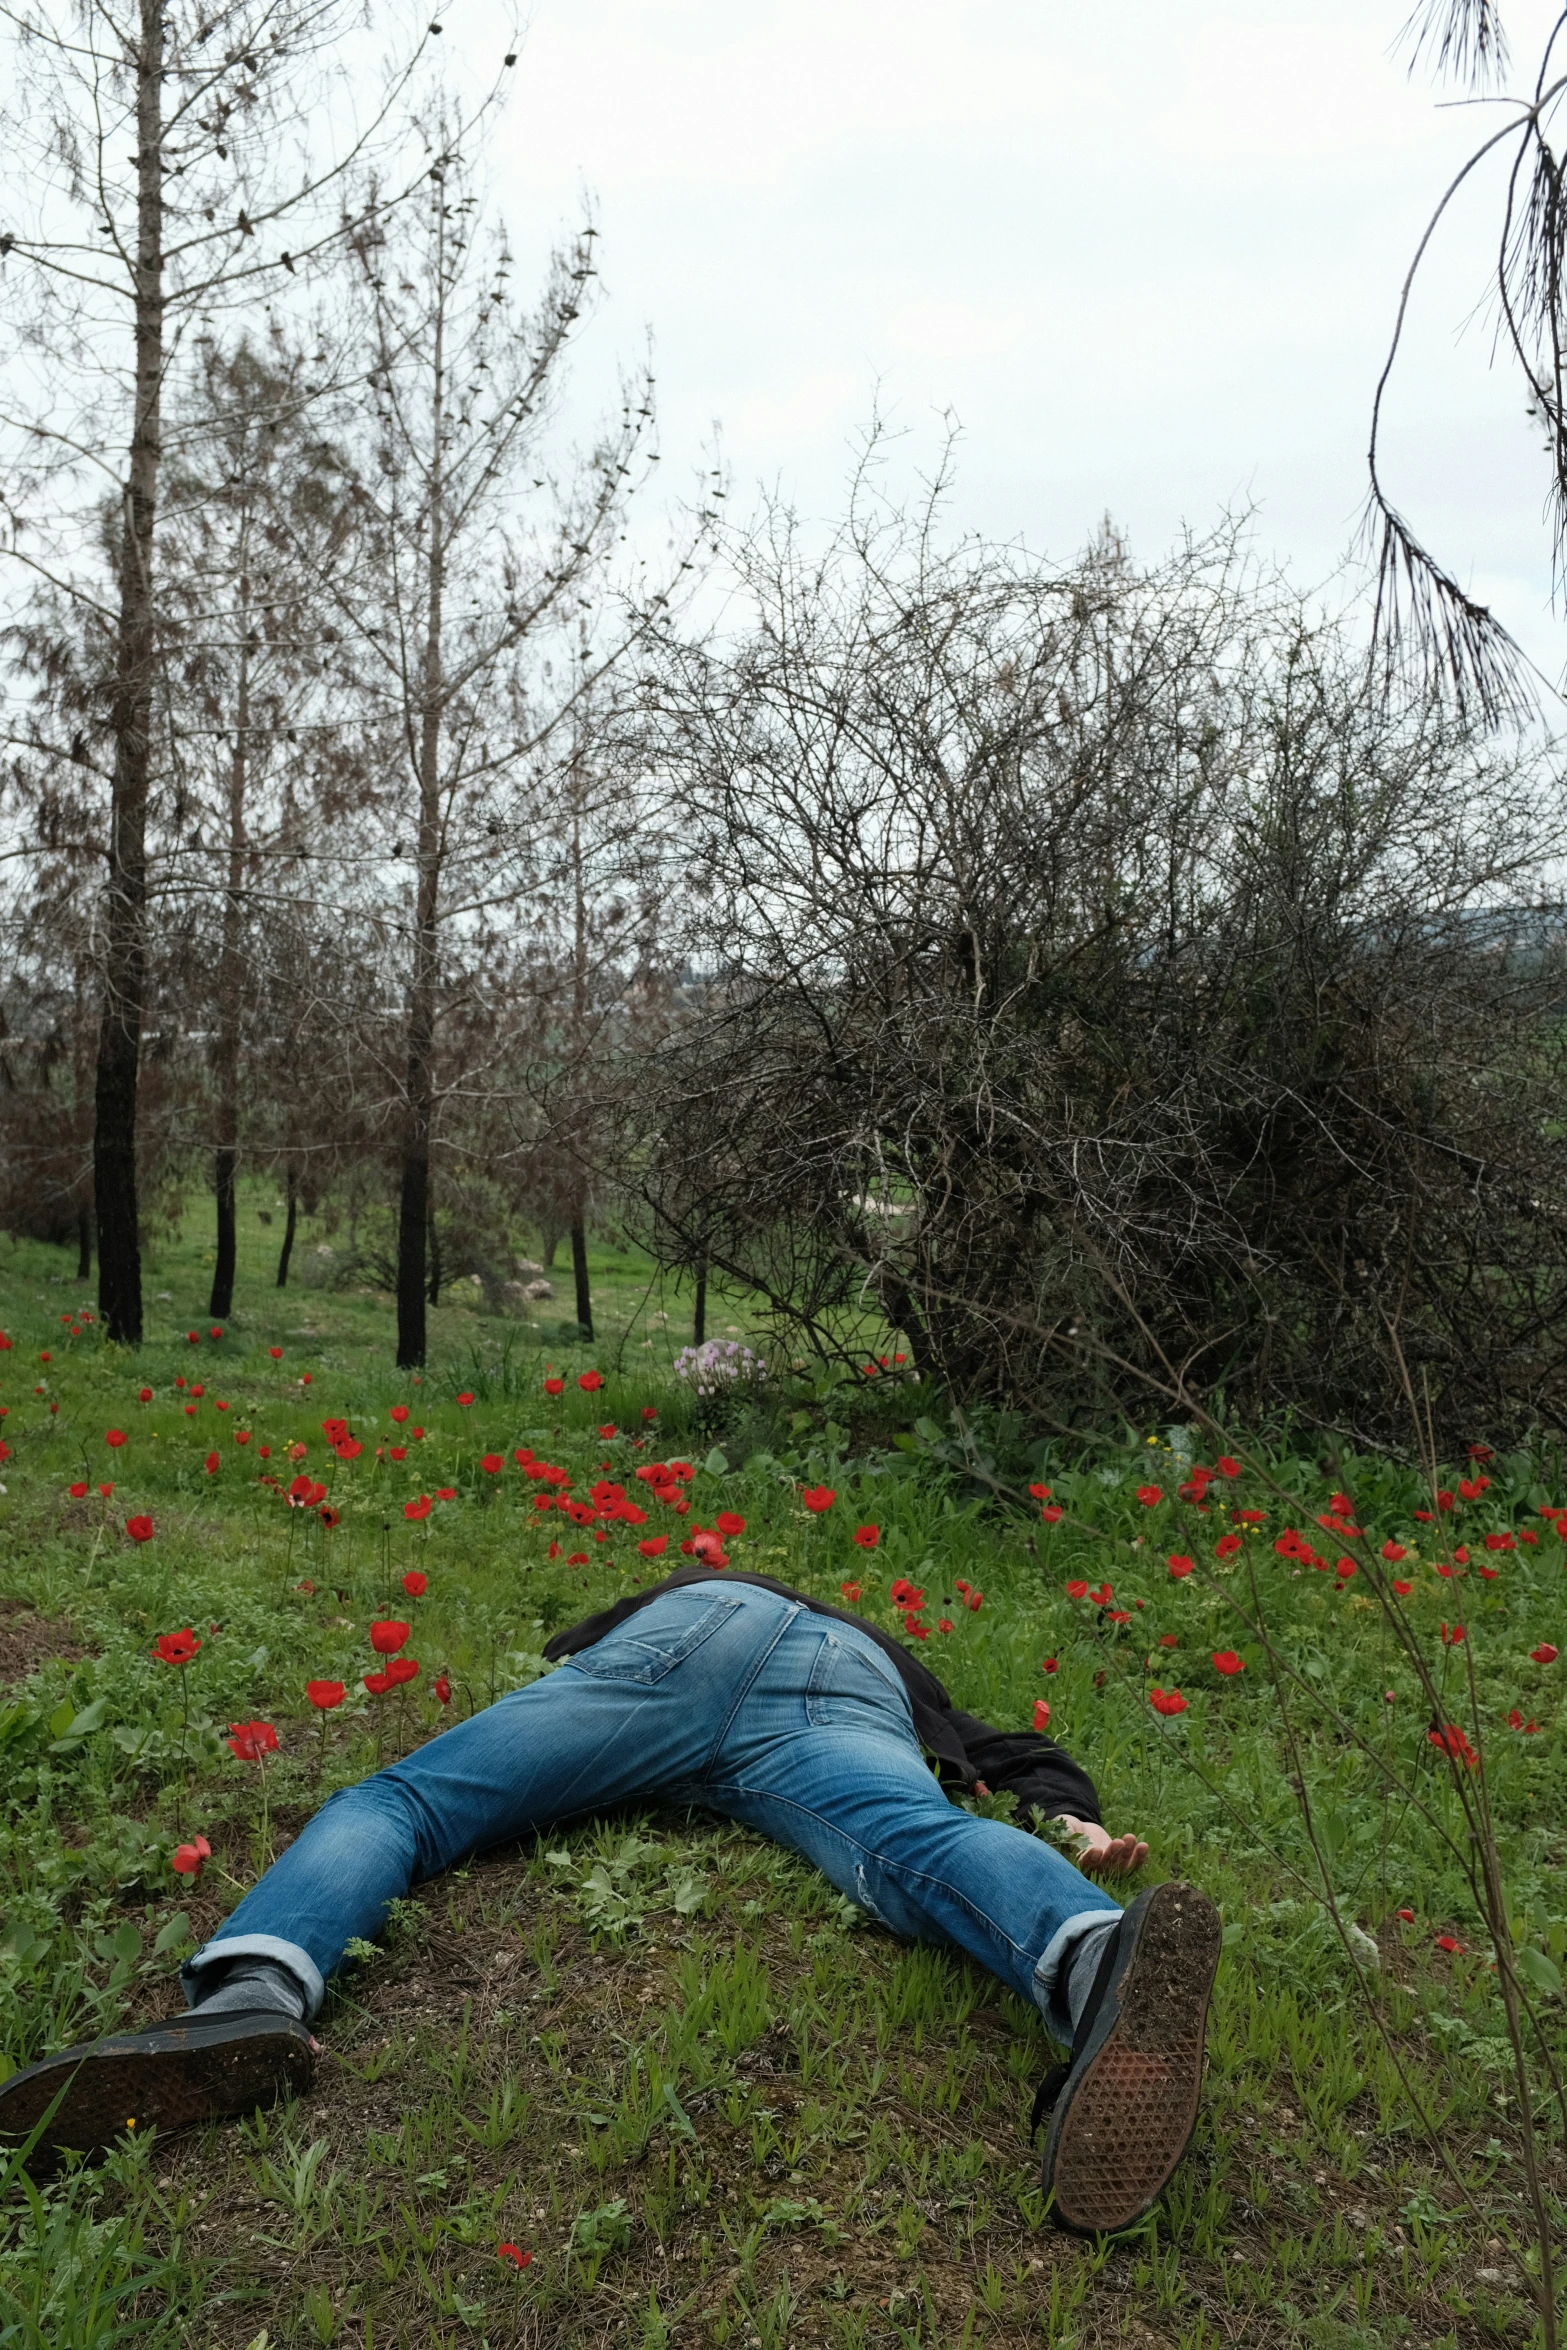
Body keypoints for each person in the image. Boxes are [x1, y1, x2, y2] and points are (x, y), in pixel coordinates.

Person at [0, 1569, 1220, 2233]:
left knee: (419, 1804)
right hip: (845, 1699)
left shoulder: (678, 1596)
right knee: (919, 1840)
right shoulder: (892, 1661)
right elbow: (1007, 1752)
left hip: (690, 1626)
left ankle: (251, 1988)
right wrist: (1069, 1814)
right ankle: (1089, 1956)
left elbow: (568, 1660)